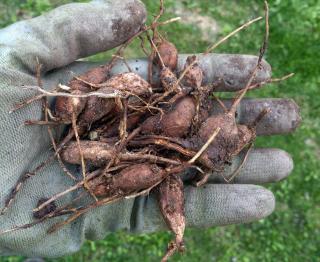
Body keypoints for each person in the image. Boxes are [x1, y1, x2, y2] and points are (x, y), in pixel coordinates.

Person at [0, 0, 300, 258]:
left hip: (146, 141)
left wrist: (141, 139)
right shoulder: (121, 106)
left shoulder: (172, 140)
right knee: (129, 114)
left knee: (149, 147)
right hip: (116, 137)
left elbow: (162, 135)